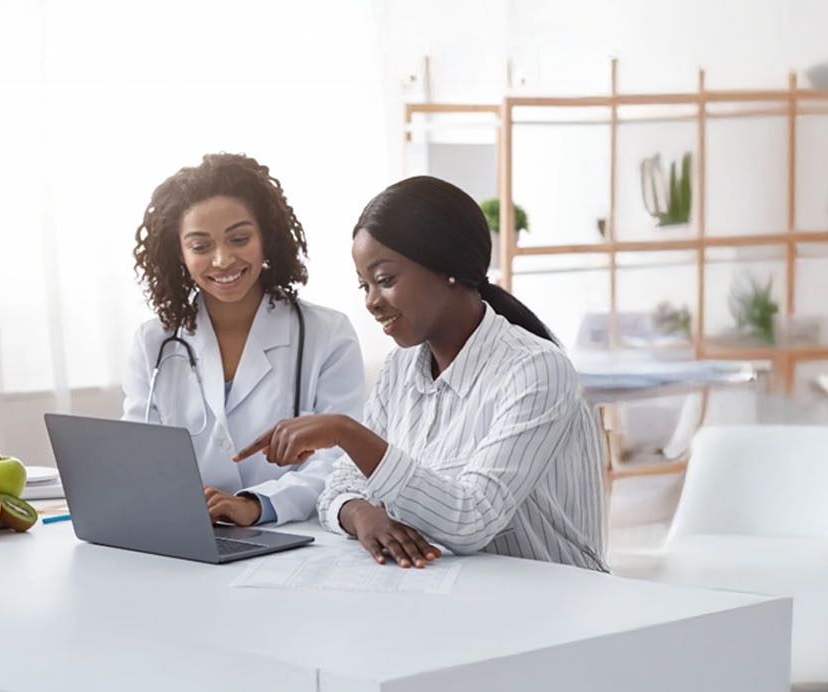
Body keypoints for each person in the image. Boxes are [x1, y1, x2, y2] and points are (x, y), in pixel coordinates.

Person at [235, 175, 606, 570]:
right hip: (451, 595)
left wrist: (345, 431)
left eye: (385, 280)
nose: (372, 303)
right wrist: (364, 516)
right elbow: (338, 489)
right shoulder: (401, 368)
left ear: (447, 266)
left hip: (555, 601)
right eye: (364, 286)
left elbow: (471, 520)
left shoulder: (536, 370)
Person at [122, 153, 365, 526]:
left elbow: (342, 459)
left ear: (266, 237)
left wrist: (257, 504)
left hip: (294, 541)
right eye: (201, 246)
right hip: (188, 534)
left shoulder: (327, 334)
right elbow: (138, 456)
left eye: (239, 238)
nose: (222, 260)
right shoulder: (153, 342)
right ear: (179, 253)